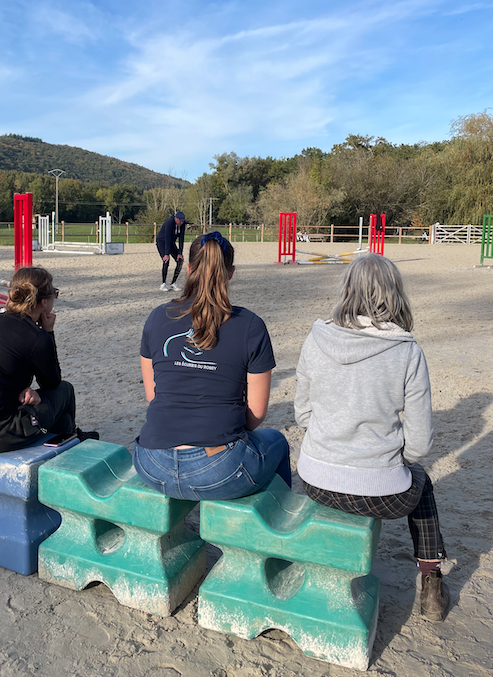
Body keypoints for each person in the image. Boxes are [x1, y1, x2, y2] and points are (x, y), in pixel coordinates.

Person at [294, 253, 450, 622]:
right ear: (395, 295)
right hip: (382, 494)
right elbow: (420, 445)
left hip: (317, 481)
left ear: (347, 290)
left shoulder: (315, 339)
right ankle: (431, 580)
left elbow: (302, 415)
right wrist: (391, 455)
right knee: (423, 484)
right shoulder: (407, 351)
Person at [133, 231, 290, 501]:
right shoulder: (251, 326)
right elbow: (255, 415)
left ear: (190, 269)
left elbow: (153, 396)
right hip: (219, 468)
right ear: (230, 273)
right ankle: (277, 527)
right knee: (277, 441)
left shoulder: (157, 317)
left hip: (151, 462)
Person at [0, 266, 98, 462]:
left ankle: (68, 439)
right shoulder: (36, 338)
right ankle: (70, 445)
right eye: (54, 294)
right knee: (65, 391)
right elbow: (52, 383)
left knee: (53, 412)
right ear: (44, 302)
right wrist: (48, 332)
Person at [156, 211, 186, 292]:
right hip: (162, 242)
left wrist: (180, 253)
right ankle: (163, 284)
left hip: (171, 243)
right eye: (180, 220)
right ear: (176, 218)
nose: (181, 222)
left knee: (180, 261)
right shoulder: (169, 223)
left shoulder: (183, 224)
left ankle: (173, 283)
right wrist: (166, 253)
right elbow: (167, 238)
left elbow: (181, 238)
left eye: (183, 221)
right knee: (166, 260)